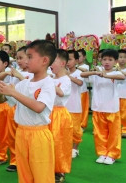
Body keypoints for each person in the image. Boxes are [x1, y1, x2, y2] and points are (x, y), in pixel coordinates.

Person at [0, 40, 57, 183]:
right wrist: (2, 91)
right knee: (24, 173)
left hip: (39, 135)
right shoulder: (23, 84)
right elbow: (1, 100)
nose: (26, 61)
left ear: (44, 60)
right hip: (21, 133)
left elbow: (38, 107)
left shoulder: (48, 83)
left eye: (30, 57)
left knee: (41, 174)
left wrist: (13, 92)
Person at [81, 49, 125, 165]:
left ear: (115, 61)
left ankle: (112, 154)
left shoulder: (116, 74)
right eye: (104, 59)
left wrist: (105, 76)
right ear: (100, 60)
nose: (107, 62)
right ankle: (102, 153)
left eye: (110, 60)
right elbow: (82, 74)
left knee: (113, 133)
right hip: (98, 108)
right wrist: (95, 73)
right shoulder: (96, 74)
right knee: (99, 133)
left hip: (112, 109)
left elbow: (122, 77)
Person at [0, 46, 34, 172]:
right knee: (12, 136)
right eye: (17, 58)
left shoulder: (33, 73)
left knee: (28, 136)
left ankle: (28, 160)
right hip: (13, 106)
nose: (18, 61)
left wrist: (19, 75)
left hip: (28, 107)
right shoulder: (14, 72)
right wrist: (9, 72)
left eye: (21, 58)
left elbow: (32, 90)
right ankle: (15, 160)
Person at [49, 49, 73, 183]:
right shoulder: (51, 78)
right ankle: (49, 167)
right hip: (47, 112)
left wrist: (46, 80)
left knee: (59, 143)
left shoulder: (66, 80)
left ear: (63, 63)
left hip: (59, 114)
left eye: (53, 61)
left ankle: (60, 170)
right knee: (48, 142)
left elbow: (61, 93)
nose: (50, 64)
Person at [65, 50, 84, 159]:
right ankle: (67, 146)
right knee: (65, 128)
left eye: (70, 59)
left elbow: (80, 82)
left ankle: (75, 148)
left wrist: (69, 76)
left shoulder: (78, 73)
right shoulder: (62, 72)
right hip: (64, 106)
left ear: (76, 61)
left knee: (76, 129)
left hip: (75, 106)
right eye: (66, 59)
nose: (68, 62)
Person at [77, 49, 90, 130]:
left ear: (84, 57)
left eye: (79, 56)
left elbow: (85, 71)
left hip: (83, 91)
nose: (77, 58)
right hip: (74, 92)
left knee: (83, 108)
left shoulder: (86, 66)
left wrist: (76, 66)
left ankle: (82, 124)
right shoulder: (71, 67)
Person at [117, 50, 126, 138]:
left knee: (124, 114)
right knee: (116, 113)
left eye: (124, 57)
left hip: (125, 95)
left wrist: (119, 70)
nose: (122, 59)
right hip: (115, 95)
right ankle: (116, 129)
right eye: (120, 57)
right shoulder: (113, 69)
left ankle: (125, 129)